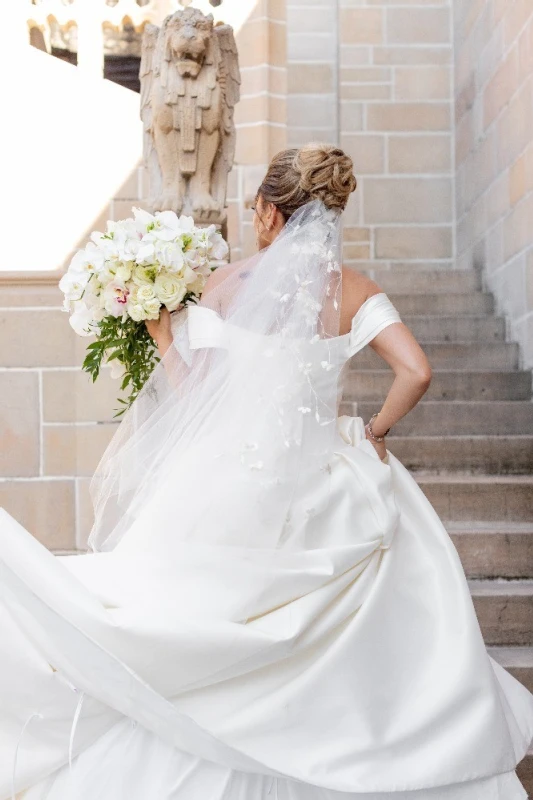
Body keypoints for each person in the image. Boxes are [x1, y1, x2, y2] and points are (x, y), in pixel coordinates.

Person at [0, 143, 532, 800]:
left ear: (269, 214)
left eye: (255, 209)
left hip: (225, 483)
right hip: (323, 477)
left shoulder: (226, 287)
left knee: (192, 627)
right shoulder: (356, 291)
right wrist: (372, 432)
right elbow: (416, 372)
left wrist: (164, 336)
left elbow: (195, 396)